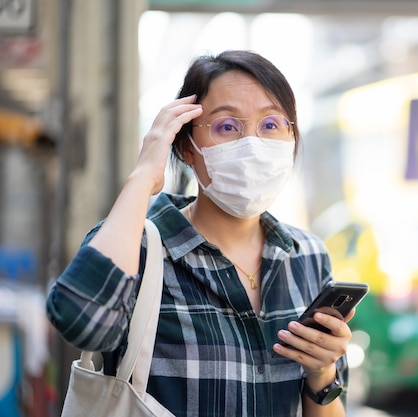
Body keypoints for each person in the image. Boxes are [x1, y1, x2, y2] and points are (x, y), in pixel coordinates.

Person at [46, 50, 354, 417]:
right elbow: (80, 323)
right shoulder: (138, 247)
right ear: (186, 148)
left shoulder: (306, 255)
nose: (253, 145)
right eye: (227, 127)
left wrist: (322, 372)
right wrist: (143, 176)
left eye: (271, 125)